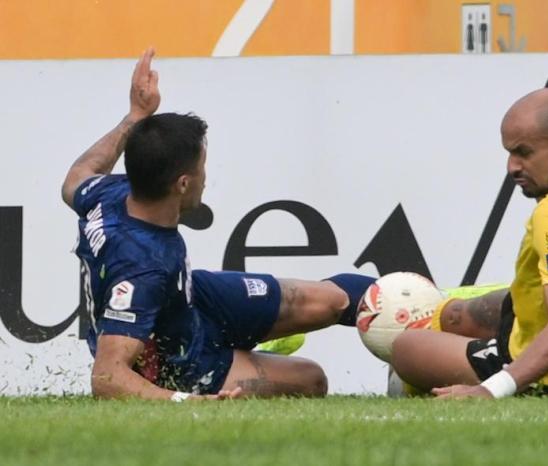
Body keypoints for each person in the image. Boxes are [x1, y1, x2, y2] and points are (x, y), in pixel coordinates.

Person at [61, 48, 374, 401]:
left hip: (192, 301)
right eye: (202, 168)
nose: (206, 179)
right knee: (311, 379)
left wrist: (135, 117)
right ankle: (244, 352)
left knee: (333, 300)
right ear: (182, 183)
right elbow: (107, 377)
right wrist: (188, 402)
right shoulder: (140, 272)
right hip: (181, 359)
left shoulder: (107, 192)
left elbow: (77, 175)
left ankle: (424, 312)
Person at [391, 88, 548, 399]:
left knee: (405, 348)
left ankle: (435, 389)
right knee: (460, 314)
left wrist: (489, 391)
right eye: (509, 153)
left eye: (524, 153)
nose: (512, 167)